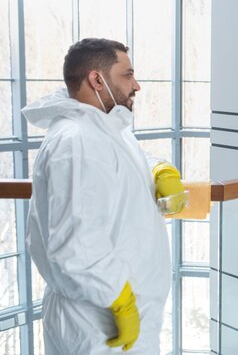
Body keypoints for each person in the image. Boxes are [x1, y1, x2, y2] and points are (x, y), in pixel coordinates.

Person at [23, 38, 185, 354]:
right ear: (97, 80)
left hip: (106, 316)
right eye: (127, 75)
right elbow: (76, 243)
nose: (136, 85)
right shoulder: (77, 142)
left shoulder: (99, 129)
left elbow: (121, 158)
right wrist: (120, 300)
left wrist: (159, 170)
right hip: (99, 322)